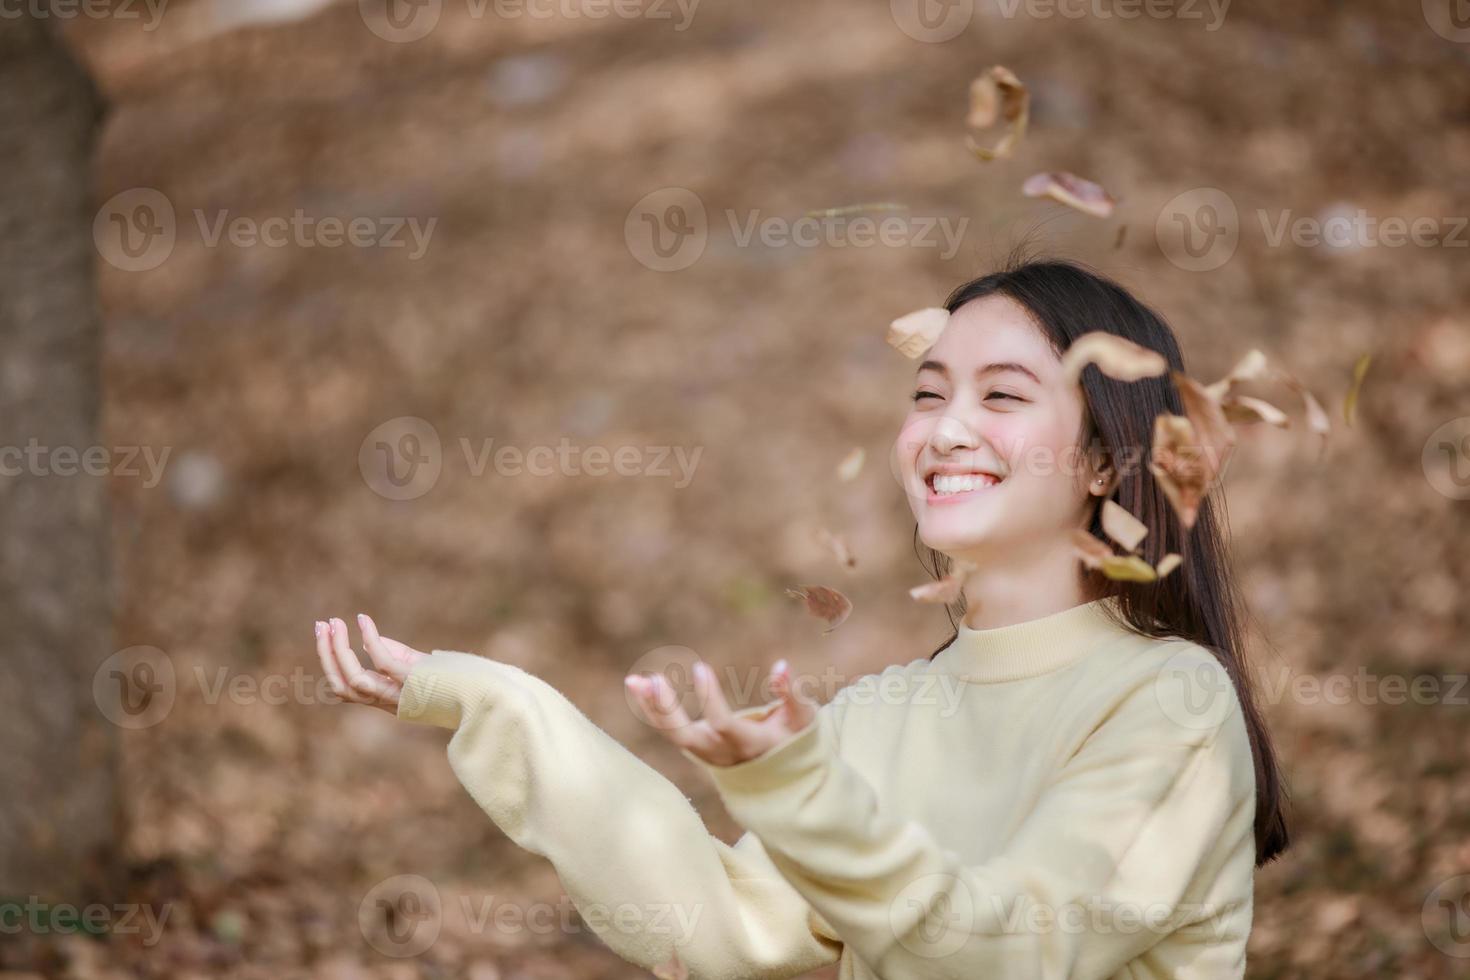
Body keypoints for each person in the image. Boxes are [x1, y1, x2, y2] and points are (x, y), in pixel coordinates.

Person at [313, 258, 1290, 979]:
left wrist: (803, 788)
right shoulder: (884, 714)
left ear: (1104, 461)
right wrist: (504, 707)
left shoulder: (1172, 703)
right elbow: (719, 925)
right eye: (927, 393)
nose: (943, 430)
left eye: (1002, 395)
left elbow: (1012, 948)